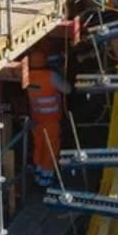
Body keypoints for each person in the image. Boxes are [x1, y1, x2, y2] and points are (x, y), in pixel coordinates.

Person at [26, 49, 71, 188]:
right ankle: (46, 179)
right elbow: (68, 89)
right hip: (51, 121)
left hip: (37, 119)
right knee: (51, 149)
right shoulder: (51, 76)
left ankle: (38, 174)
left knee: (39, 147)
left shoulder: (27, 77)